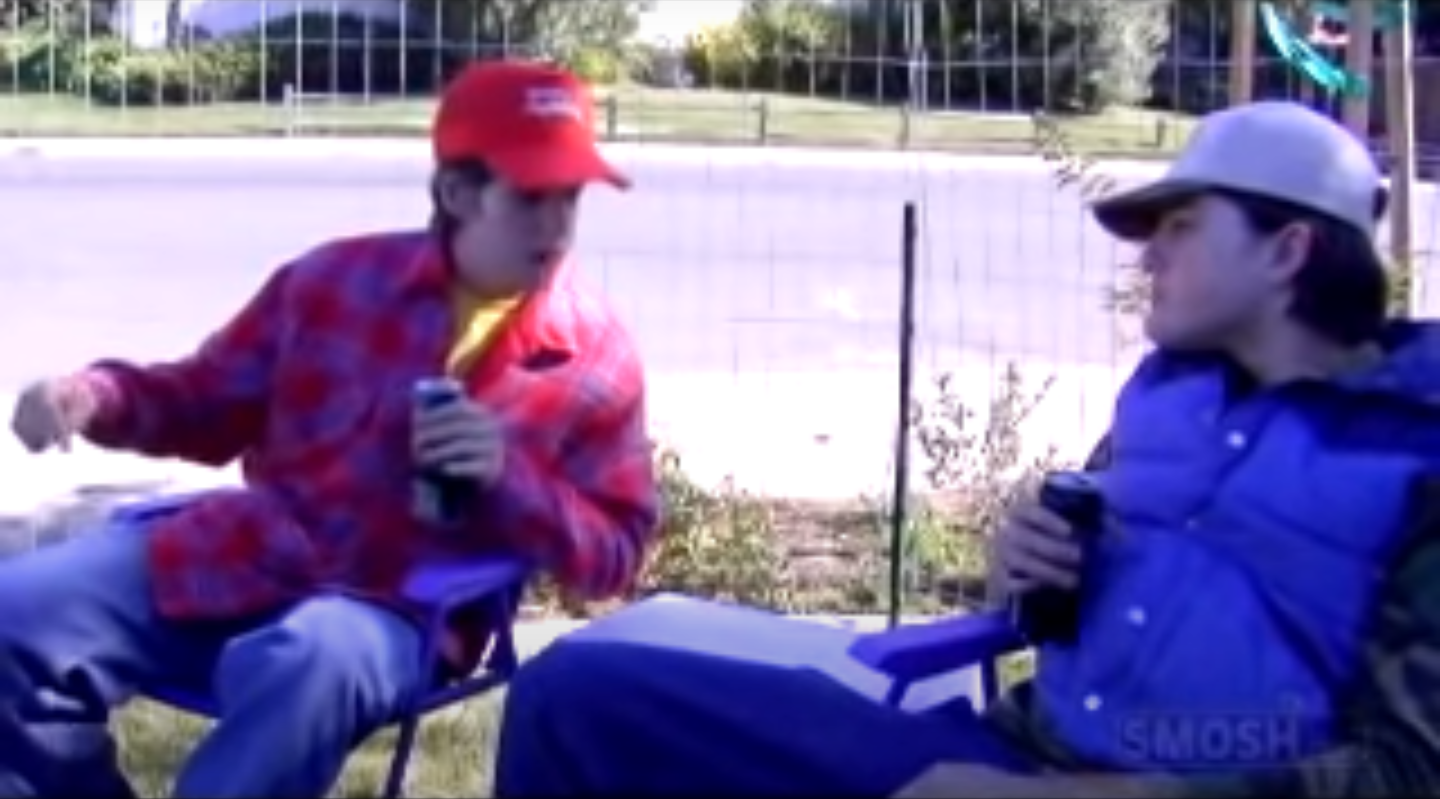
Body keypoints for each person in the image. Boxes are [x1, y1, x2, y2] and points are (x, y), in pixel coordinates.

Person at [490, 100, 1440, 797]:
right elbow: (1062, 599)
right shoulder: (1165, 397)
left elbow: (1410, 770)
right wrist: (1022, 563)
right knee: (580, 691)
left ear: (1288, 251)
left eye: (1182, 228)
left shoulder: (1415, 455)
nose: (1149, 255)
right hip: (1001, 756)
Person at [1, 59, 658, 798]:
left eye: (570, 196)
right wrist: (92, 397)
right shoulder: (333, 282)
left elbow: (616, 554)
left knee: (307, 659)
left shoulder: (595, 356)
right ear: (456, 193)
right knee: (15, 612)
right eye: (531, 197)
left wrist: (508, 479)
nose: (557, 225)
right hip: (250, 552)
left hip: (399, 611)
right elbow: (204, 400)